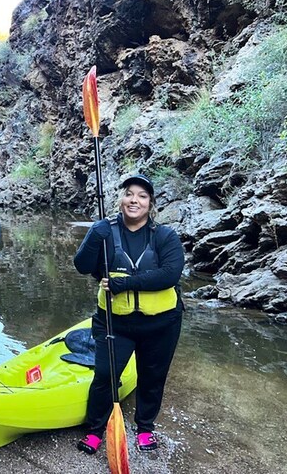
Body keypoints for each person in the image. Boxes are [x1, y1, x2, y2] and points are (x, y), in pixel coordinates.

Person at [73, 174, 185, 453]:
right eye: (129, 194)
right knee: (104, 375)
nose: (134, 200)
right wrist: (93, 236)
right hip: (115, 322)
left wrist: (126, 283)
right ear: (121, 198)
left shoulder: (164, 236)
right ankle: (96, 429)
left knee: (153, 376)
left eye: (142, 196)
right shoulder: (104, 231)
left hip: (161, 323)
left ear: (151, 204)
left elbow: (170, 275)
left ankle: (145, 427)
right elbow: (83, 266)